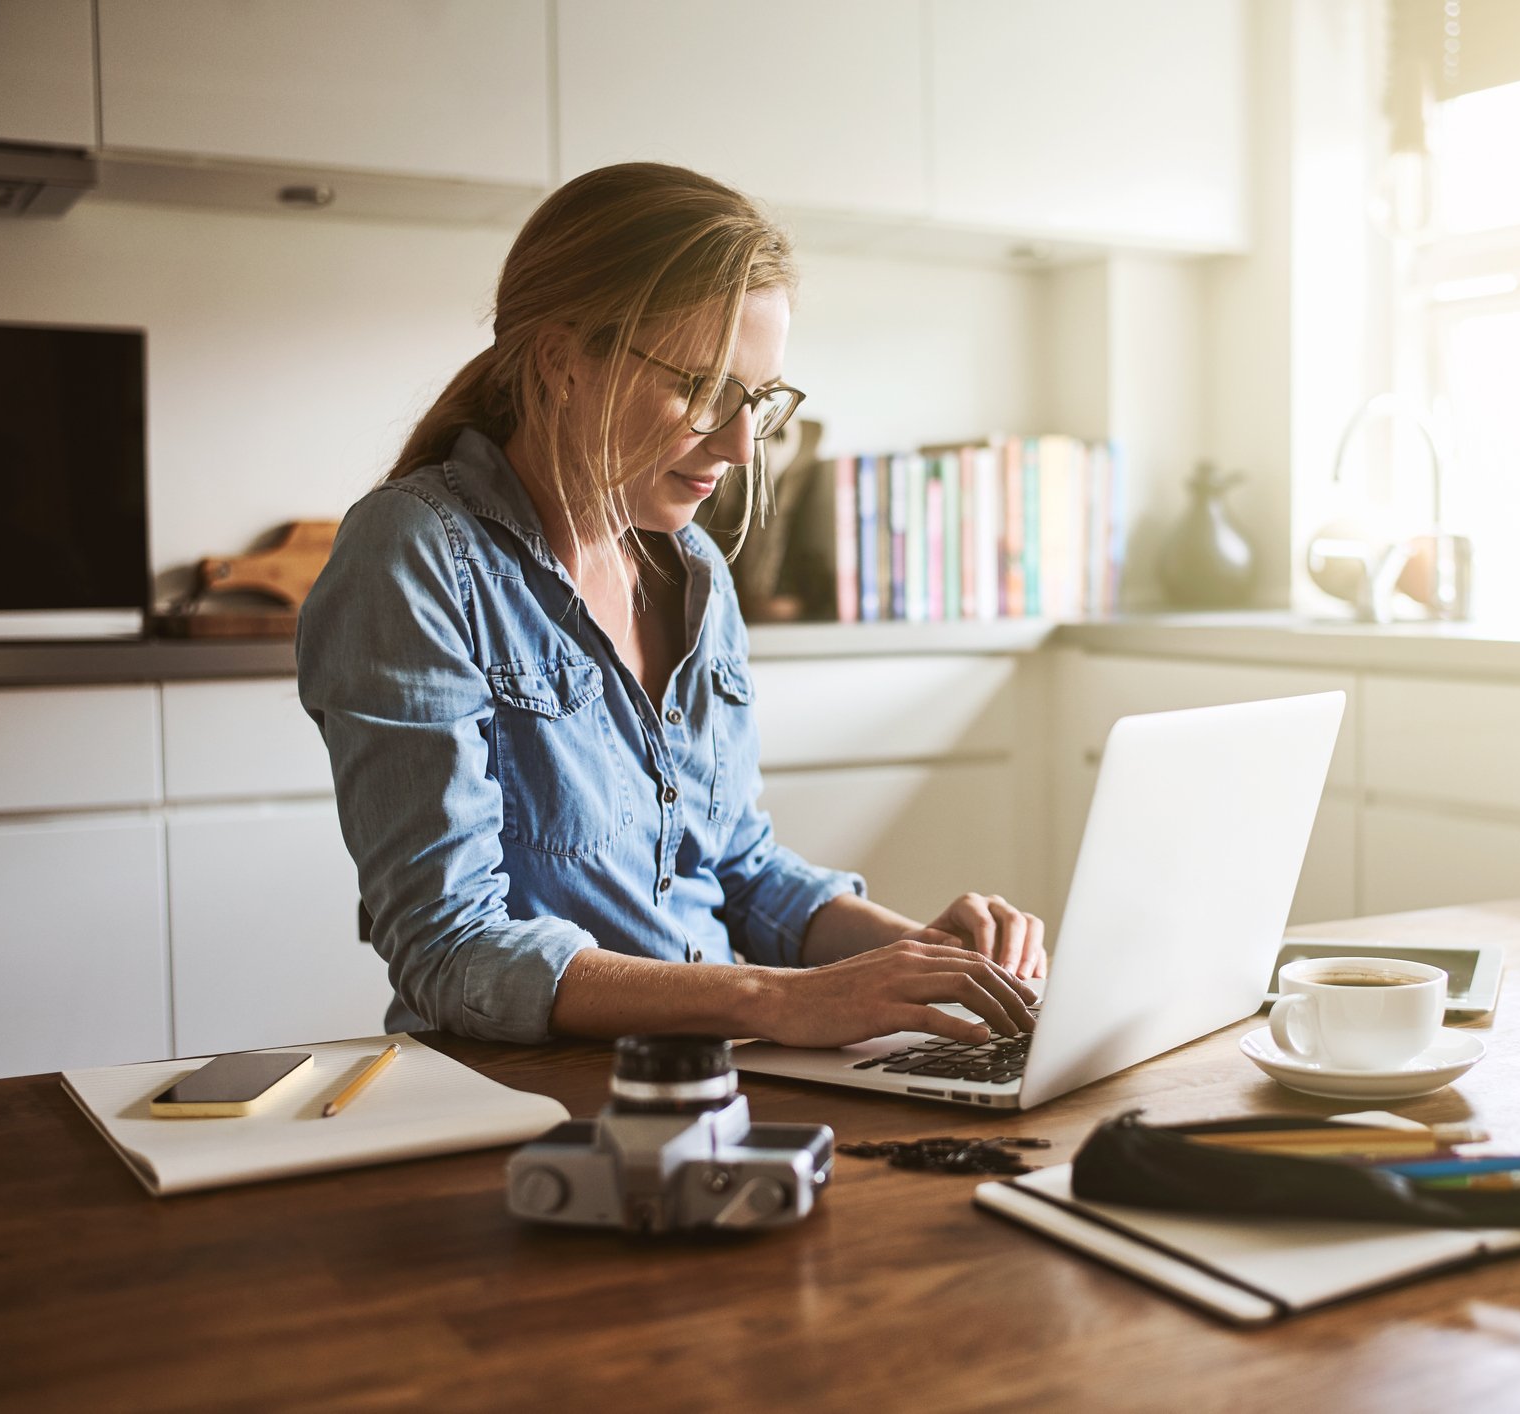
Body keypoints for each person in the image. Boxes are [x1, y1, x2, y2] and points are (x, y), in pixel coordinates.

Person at [297, 163, 1043, 1052]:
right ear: (562, 361)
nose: (738, 444)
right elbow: (449, 947)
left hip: (721, 1076)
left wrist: (927, 959)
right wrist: (775, 1001)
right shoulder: (417, 554)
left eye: (757, 402)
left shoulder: (693, 571)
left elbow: (737, 869)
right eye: (700, 391)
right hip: (524, 1096)